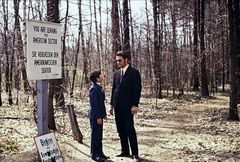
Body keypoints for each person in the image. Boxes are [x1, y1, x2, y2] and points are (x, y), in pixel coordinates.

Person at [110, 51, 142, 162]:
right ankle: (125, 151)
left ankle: (135, 154)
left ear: (126, 60)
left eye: (120, 60)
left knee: (129, 129)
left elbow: (137, 90)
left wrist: (135, 105)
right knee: (120, 129)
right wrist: (111, 105)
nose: (118, 62)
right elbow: (114, 90)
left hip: (128, 106)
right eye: (116, 61)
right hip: (117, 106)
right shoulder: (117, 73)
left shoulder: (134, 73)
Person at [88, 71, 108, 162]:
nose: (103, 76)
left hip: (99, 115)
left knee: (99, 135)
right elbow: (94, 105)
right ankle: (94, 155)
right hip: (95, 116)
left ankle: (100, 153)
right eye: (101, 75)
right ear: (97, 78)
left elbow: (101, 104)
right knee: (95, 135)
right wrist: (98, 117)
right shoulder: (93, 89)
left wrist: (104, 115)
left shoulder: (99, 87)